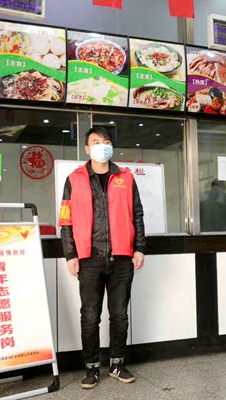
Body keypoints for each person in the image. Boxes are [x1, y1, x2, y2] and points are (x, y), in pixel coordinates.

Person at [59, 127, 145, 389]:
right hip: (89, 258)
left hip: (121, 258)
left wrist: (139, 248)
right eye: (96, 142)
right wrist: (70, 254)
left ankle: (117, 364)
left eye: (106, 141)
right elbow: (65, 220)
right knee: (90, 316)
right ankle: (91, 368)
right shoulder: (74, 179)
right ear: (87, 149)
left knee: (119, 315)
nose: (102, 146)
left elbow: (137, 214)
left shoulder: (126, 178)